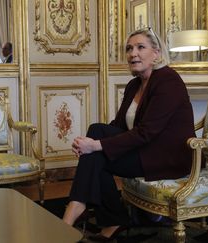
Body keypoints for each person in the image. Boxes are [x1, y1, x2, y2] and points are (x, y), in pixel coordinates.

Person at [62, 27, 195, 241]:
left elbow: (147, 132)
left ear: (157, 53)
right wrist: (91, 144)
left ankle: (78, 210)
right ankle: (86, 211)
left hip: (166, 156)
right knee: (97, 132)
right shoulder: (135, 85)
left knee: (96, 150)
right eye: (129, 48)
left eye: (140, 47)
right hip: (145, 149)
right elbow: (119, 126)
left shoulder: (169, 81)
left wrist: (94, 146)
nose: (133, 53)